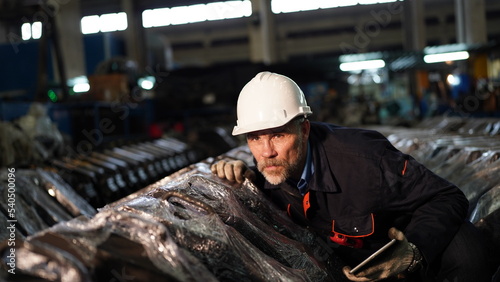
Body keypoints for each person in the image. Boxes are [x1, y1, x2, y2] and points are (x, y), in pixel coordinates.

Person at [211, 71, 494, 281]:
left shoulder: (365, 162)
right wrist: (241, 177)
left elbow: (448, 196)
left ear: (305, 130)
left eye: (279, 135)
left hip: (408, 249)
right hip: (358, 265)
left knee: (467, 251)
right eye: (255, 138)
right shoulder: (266, 171)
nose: (267, 151)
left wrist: (413, 250)